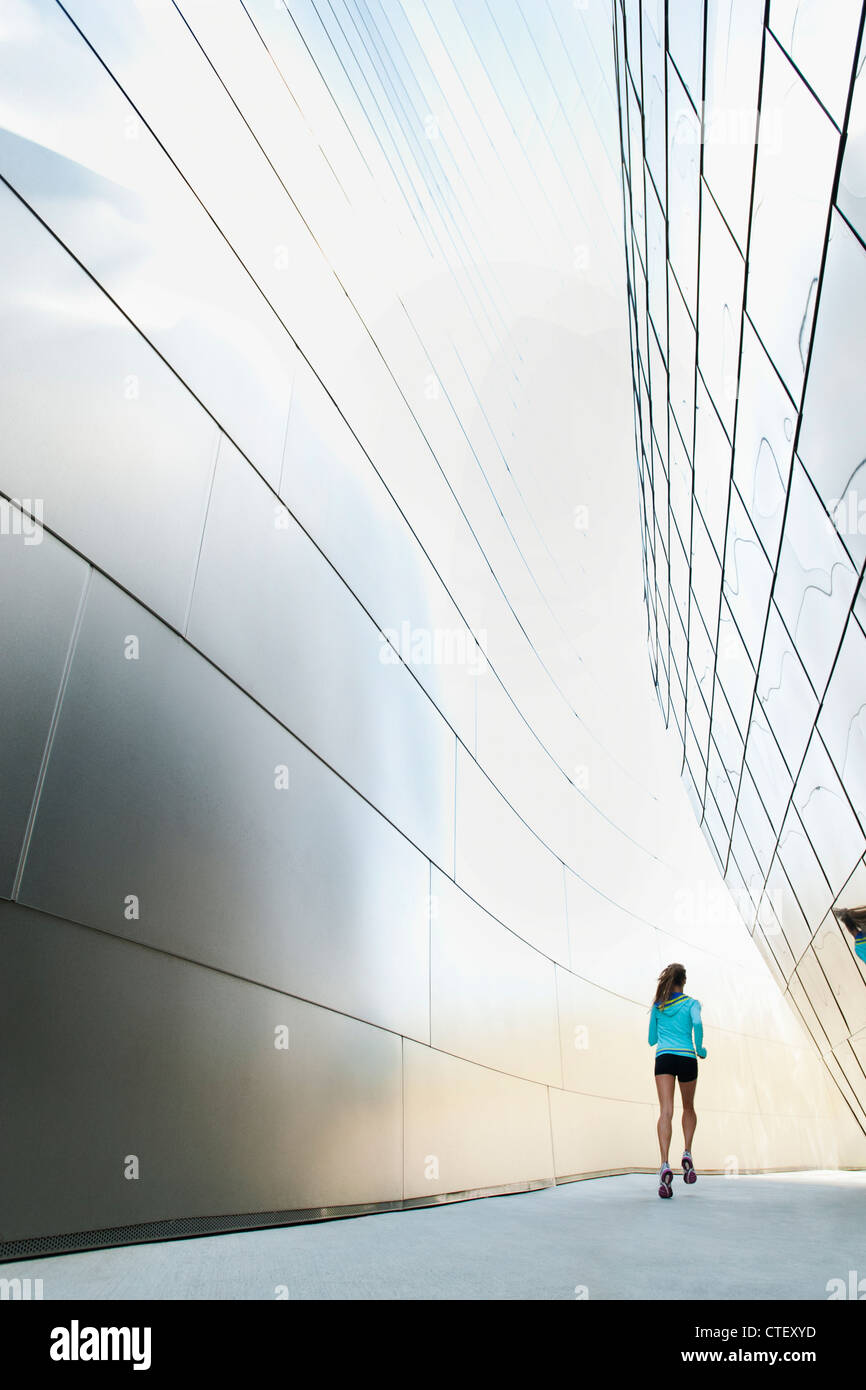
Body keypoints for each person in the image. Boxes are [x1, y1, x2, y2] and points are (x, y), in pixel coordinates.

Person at [648, 963, 706, 1199]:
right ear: (684, 981)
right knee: (689, 1108)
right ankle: (688, 1153)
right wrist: (699, 1048)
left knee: (666, 1111)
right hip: (687, 1058)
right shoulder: (692, 1004)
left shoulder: (658, 1006)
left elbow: (652, 1039)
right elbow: (698, 1025)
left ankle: (664, 1164)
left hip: (664, 1058)